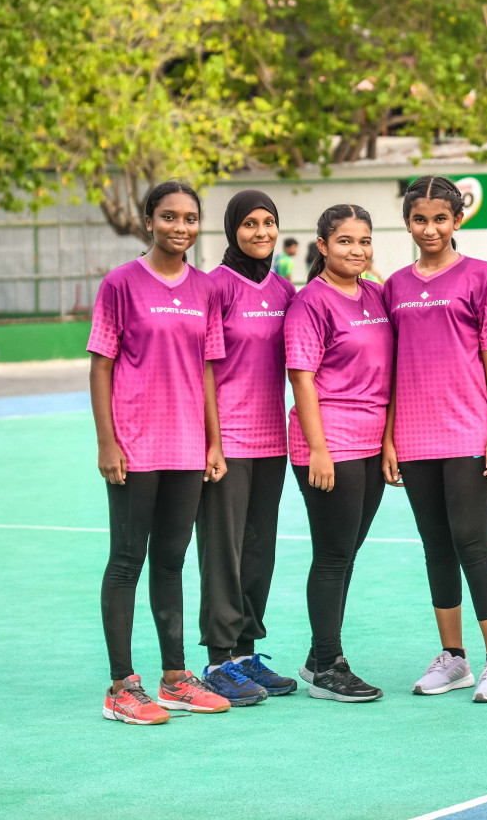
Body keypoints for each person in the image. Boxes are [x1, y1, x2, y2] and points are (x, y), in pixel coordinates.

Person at [90, 180, 231, 725]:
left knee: (171, 561)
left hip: (187, 448)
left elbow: (207, 370)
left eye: (190, 218)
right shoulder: (120, 284)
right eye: (169, 217)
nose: (181, 227)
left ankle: (175, 678)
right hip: (134, 444)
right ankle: (122, 687)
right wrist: (108, 442)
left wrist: (213, 441)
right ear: (149, 221)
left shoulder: (206, 289)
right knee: (128, 560)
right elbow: (101, 364)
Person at [385, 176, 487, 703]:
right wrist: (392, 436)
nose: (431, 228)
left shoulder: (481, 276)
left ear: (458, 221)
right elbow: (391, 365)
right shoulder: (393, 285)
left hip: (467, 429)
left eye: (441, 218)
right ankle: (454, 658)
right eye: (421, 219)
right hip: (414, 437)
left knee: (471, 541)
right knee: (435, 546)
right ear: (408, 222)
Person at [284, 204, 393, 703]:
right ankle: (328, 663)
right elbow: (301, 379)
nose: (357, 250)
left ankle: (318, 657)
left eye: (364, 241)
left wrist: (390, 439)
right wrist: (319, 450)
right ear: (323, 246)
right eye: (345, 241)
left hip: (371, 443)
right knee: (332, 555)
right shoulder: (311, 302)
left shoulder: (376, 294)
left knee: (346, 553)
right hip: (330, 443)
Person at [196, 190, 299, 705]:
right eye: (250, 224)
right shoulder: (215, 288)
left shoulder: (285, 290)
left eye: (269, 223)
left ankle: (243, 654)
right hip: (226, 443)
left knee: (259, 551)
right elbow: (206, 370)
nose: (261, 233)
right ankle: (217, 660)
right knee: (224, 551)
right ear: (232, 229)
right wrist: (212, 441)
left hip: (270, 442)